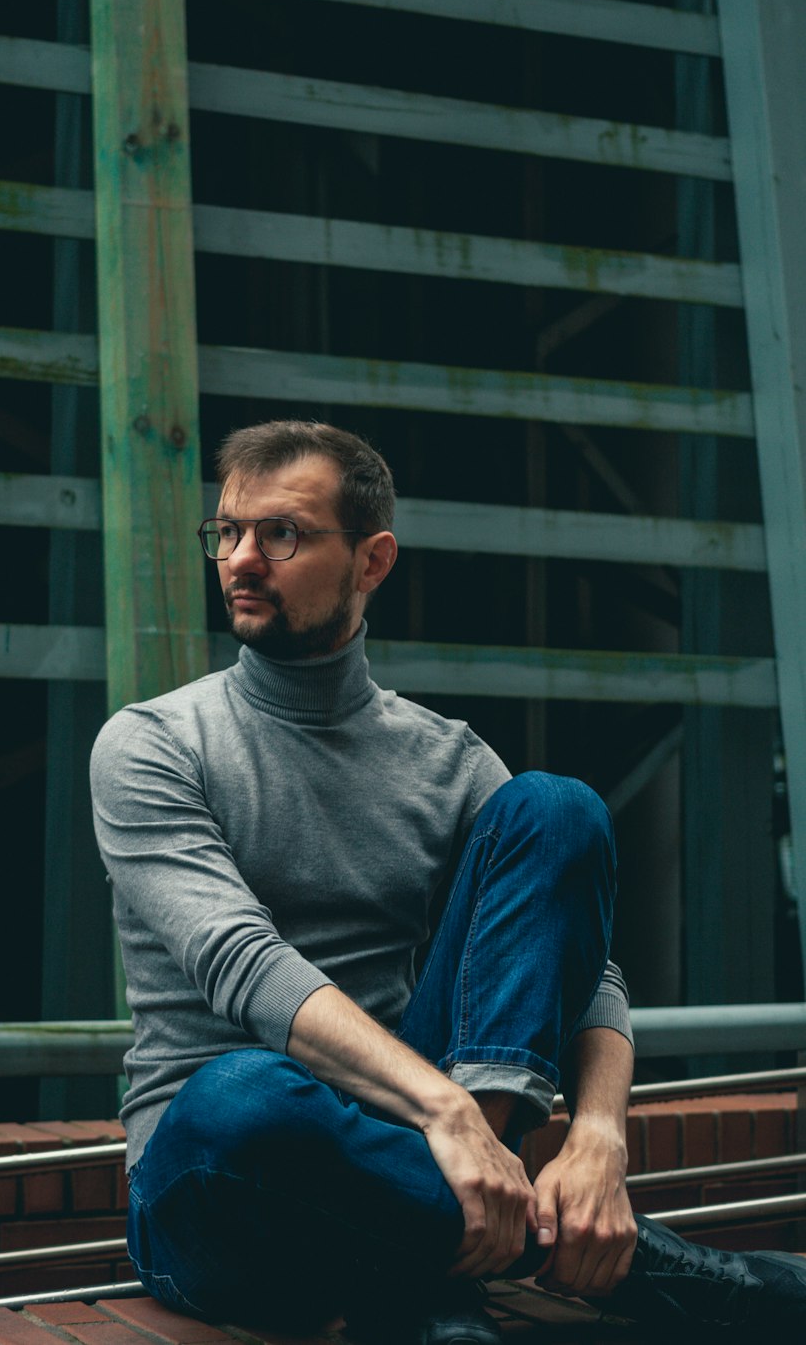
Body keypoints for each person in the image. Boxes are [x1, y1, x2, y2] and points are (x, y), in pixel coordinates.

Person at [91, 421, 806, 1342]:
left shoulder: (449, 761)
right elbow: (241, 963)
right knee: (243, 1096)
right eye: (226, 532)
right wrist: (448, 1112)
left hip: (419, 1137)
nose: (240, 559)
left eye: (282, 534)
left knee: (558, 808)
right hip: (225, 1182)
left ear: (371, 560)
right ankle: (672, 1279)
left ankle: (422, 1270)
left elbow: (585, 968)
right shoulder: (153, 744)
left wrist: (598, 1138)